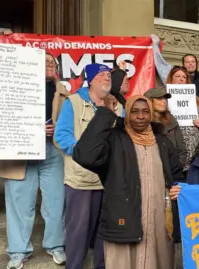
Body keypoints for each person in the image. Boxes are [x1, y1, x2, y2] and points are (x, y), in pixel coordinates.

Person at [72, 95, 185, 269]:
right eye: (134, 112)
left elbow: (176, 175)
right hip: (122, 221)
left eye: (145, 112)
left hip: (159, 224)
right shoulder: (114, 140)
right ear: (126, 114)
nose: (140, 116)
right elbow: (85, 155)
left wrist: (178, 188)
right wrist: (105, 113)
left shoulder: (163, 142)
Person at [0, 52, 69, 269]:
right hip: (21, 153)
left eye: (52, 62)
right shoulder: (14, 86)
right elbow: (1, 115)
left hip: (52, 152)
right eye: (43, 61)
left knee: (56, 201)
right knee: (19, 203)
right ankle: (18, 252)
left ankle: (56, 246)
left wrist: (58, 128)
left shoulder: (64, 93)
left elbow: (71, 123)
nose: (48, 64)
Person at [54, 63, 122, 269]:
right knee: (78, 232)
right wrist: (85, 154)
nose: (107, 78)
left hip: (108, 180)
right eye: (101, 75)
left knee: (105, 231)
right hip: (80, 180)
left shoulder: (117, 106)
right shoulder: (73, 102)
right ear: (90, 80)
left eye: (108, 75)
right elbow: (61, 136)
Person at [151, 34, 199, 116]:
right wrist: (155, 46)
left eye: (193, 62)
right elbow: (162, 66)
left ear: (196, 64)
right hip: (182, 118)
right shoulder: (176, 76)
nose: (190, 64)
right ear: (183, 64)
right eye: (187, 62)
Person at [165, 65, 199, 169]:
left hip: (195, 143)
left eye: (184, 77)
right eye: (177, 76)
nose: (181, 79)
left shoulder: (196, 99)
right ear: (171, 78)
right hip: (174, 142)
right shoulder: (164, 98)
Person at [144, 86, 188, 167]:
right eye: (159, 98)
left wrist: (175, 169)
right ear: (149, 101)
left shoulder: (172, 121)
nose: (164, 101)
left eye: (165, 98)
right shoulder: (142, 123)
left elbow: (182, 151)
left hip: (173, 172)